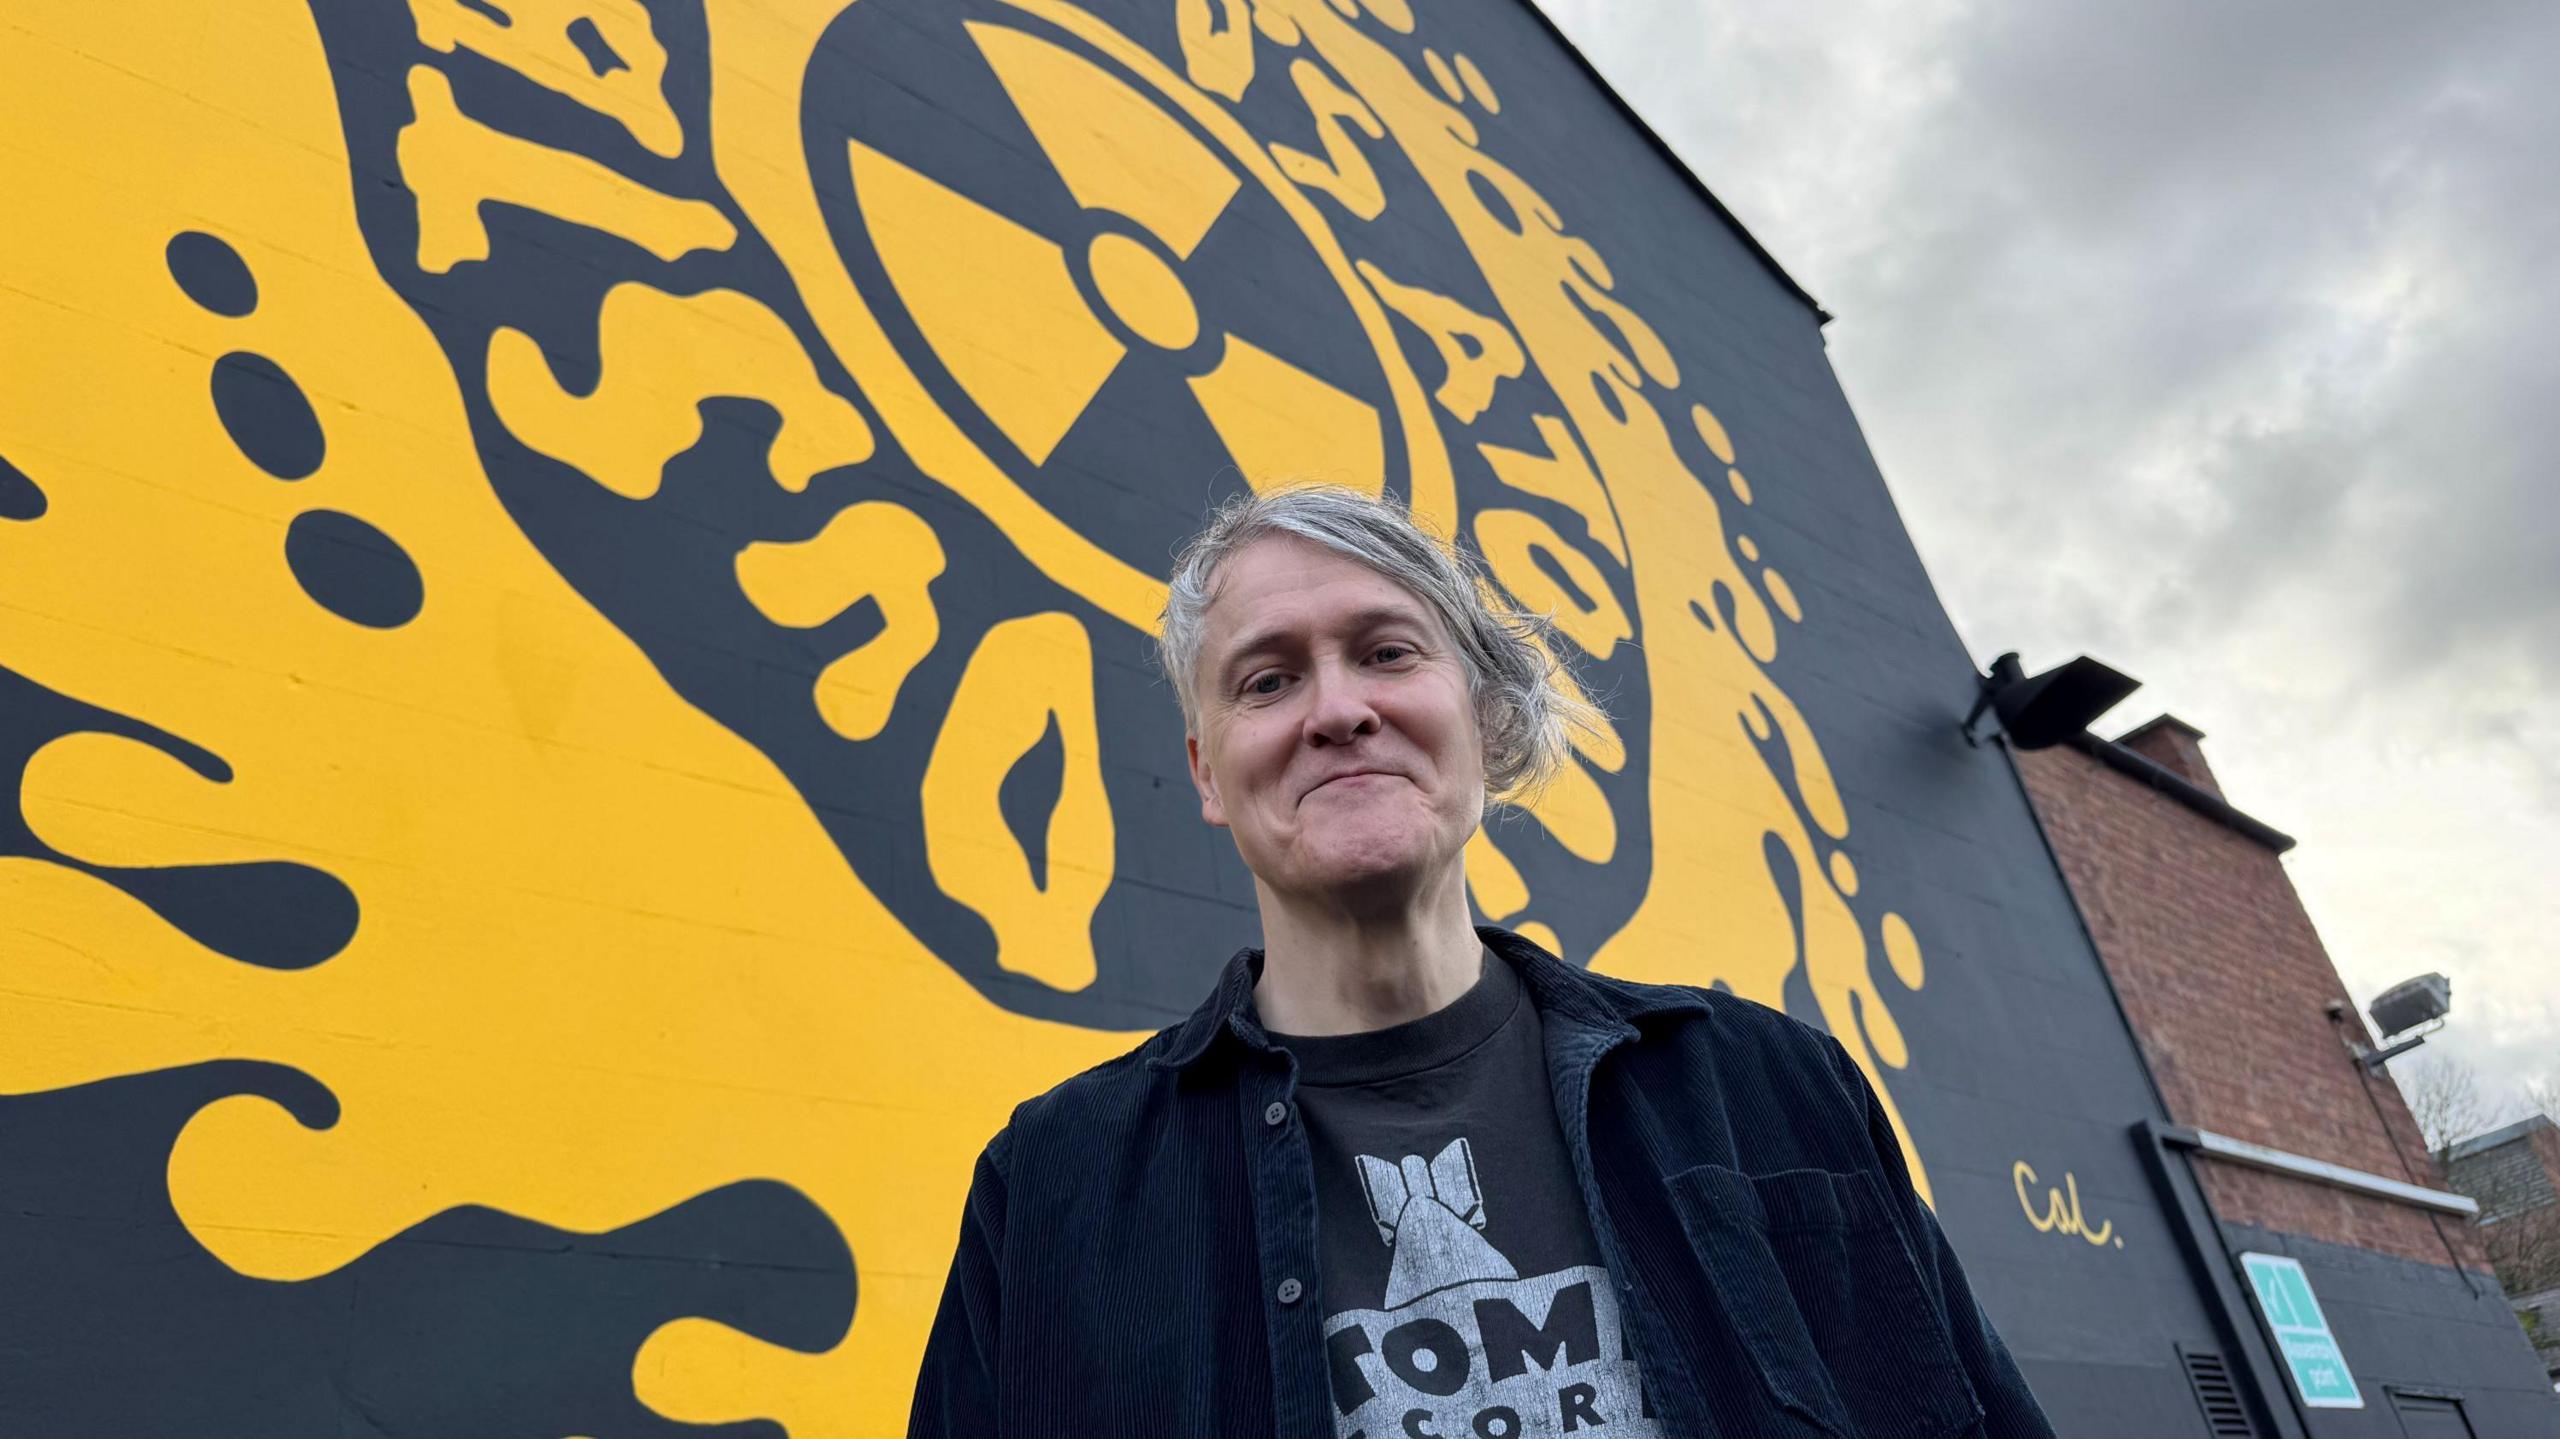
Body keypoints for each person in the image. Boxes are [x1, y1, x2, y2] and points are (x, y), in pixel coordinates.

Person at [910, 485, 2055, 1438]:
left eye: (1386, 651)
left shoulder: (1769, 1084)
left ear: (1481, 714)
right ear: (1208, 773)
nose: (1339, 708)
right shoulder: (1054, 1183)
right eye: (1268, 678)